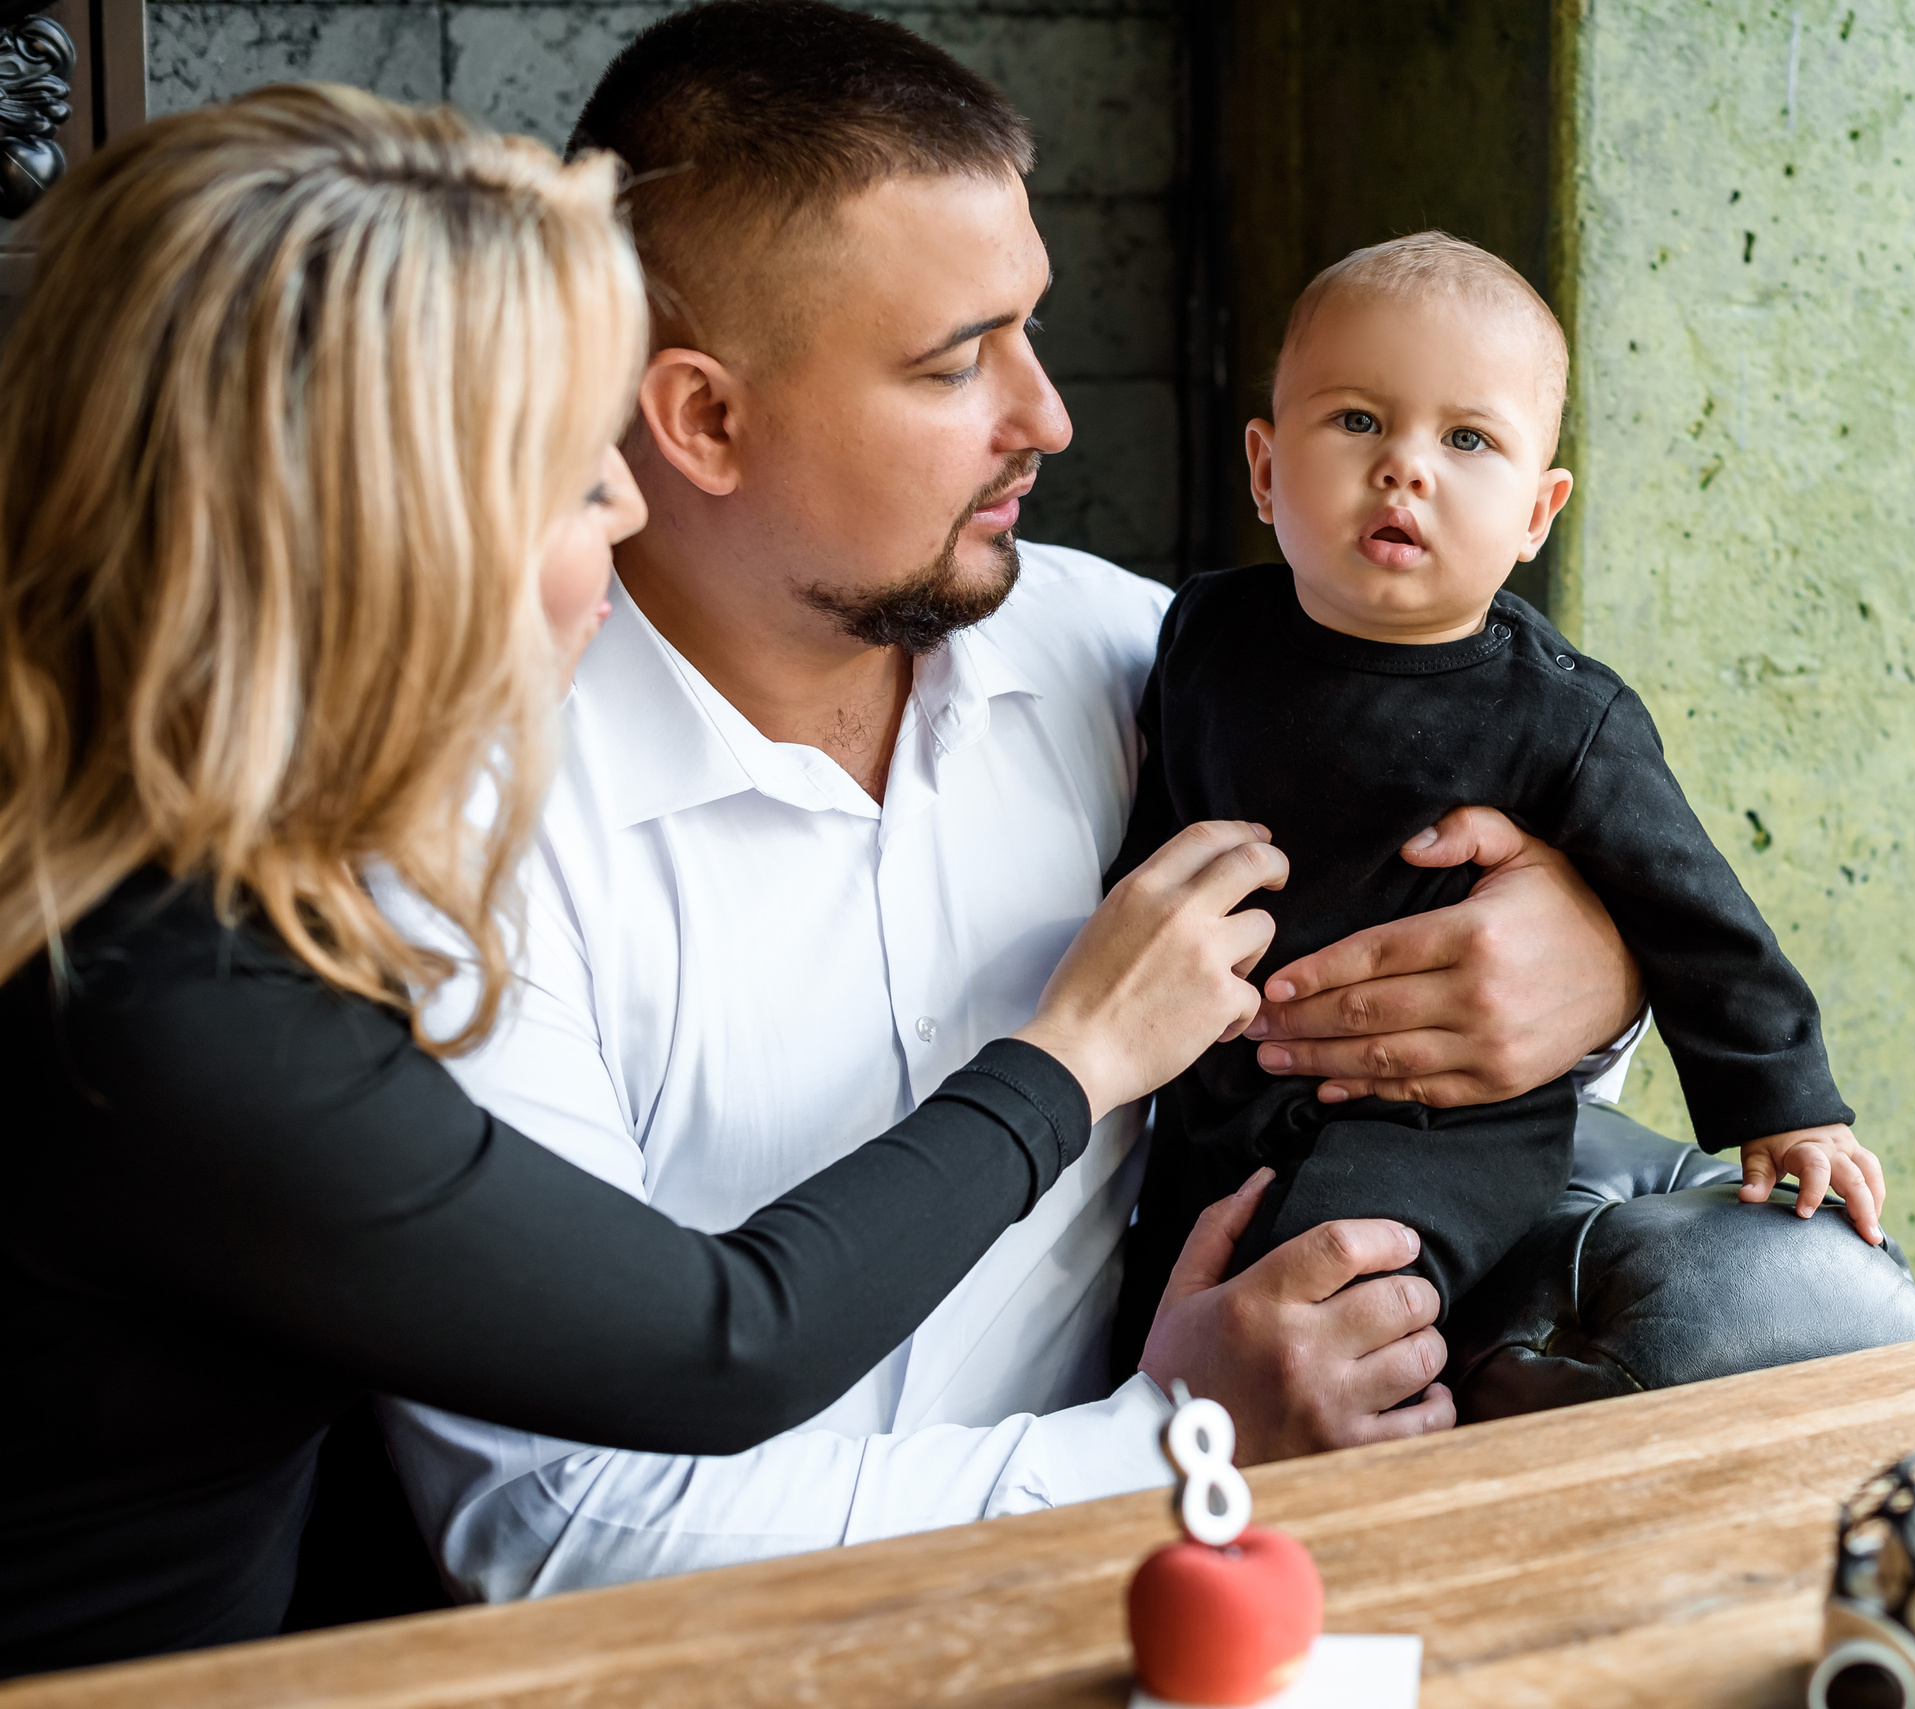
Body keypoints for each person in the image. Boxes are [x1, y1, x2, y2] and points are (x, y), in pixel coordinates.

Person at [0, 84, 1291, 1677]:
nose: (623, 511)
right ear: (384, 537)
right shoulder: (172, 1006)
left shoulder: (170, 890)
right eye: (566, 472)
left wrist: (1588, 956)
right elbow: (715, 1354)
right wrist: (1076, 1066)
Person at [382, 0, 1652, 1602]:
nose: (1046, 414)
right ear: (702, 418)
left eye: (1029, 328)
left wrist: (1584, 970)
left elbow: (1486, 907)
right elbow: (564, 1529)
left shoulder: (1133, 660)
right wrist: (1171, 1435)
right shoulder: (464, 838)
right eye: (955, 361)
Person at [1107, 234, 1891, 1374]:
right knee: (1158, 1299)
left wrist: (1787, 1101)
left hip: (1438, 1121)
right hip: (1225, 1089)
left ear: (1536, 511)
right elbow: (1163, 819)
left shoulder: (1560, 718)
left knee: (1327, 1277)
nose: (1404, 467)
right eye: (1358, 421)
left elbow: (1692, 910)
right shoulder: (1206, 634)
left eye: (1466, 439)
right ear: (1266, 469)